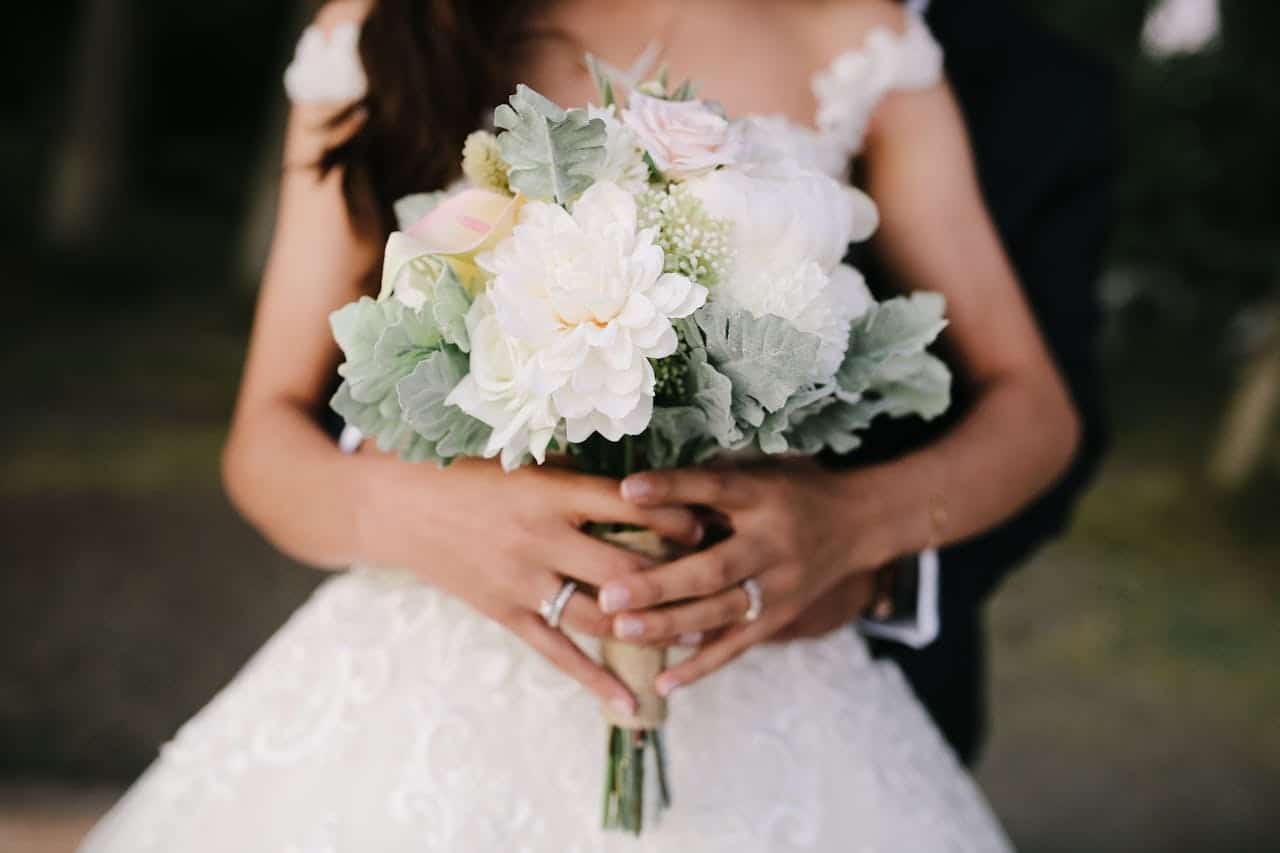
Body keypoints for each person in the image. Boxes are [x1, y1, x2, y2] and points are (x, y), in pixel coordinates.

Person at [81, 0, 1082, 849]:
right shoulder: (386, 29)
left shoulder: (848, 33)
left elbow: (1032, 407)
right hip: (430, 673)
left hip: (752, 662)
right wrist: (411, 510)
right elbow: (265, 441)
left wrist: (850, 523)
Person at [773, 0, 1114, 764]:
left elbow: (1057, 409)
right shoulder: (487, 30)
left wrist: (862, 551)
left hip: (849, 675)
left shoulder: (1047, 90)